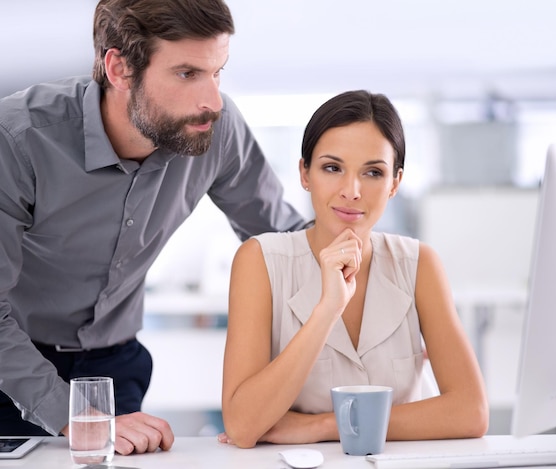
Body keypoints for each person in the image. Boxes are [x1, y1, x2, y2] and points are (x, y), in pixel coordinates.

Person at [0, 0, 305, 455]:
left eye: (217, 72)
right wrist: (68, 410)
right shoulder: (18, 140)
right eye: (187, 74)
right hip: (14, 370)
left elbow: (285, 245)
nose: (214, 100)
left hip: (118, 365)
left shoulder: (215, 129)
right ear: (119, 68)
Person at [220, 90, 489, 448]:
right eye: (332, 168)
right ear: (304, 172)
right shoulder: (260, 260)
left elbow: (470, 412)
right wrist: (327, 309)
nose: (352, 190)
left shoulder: (418, 264)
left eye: (373, 172)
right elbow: (242, 425)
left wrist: (327, 426)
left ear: (395, 183)